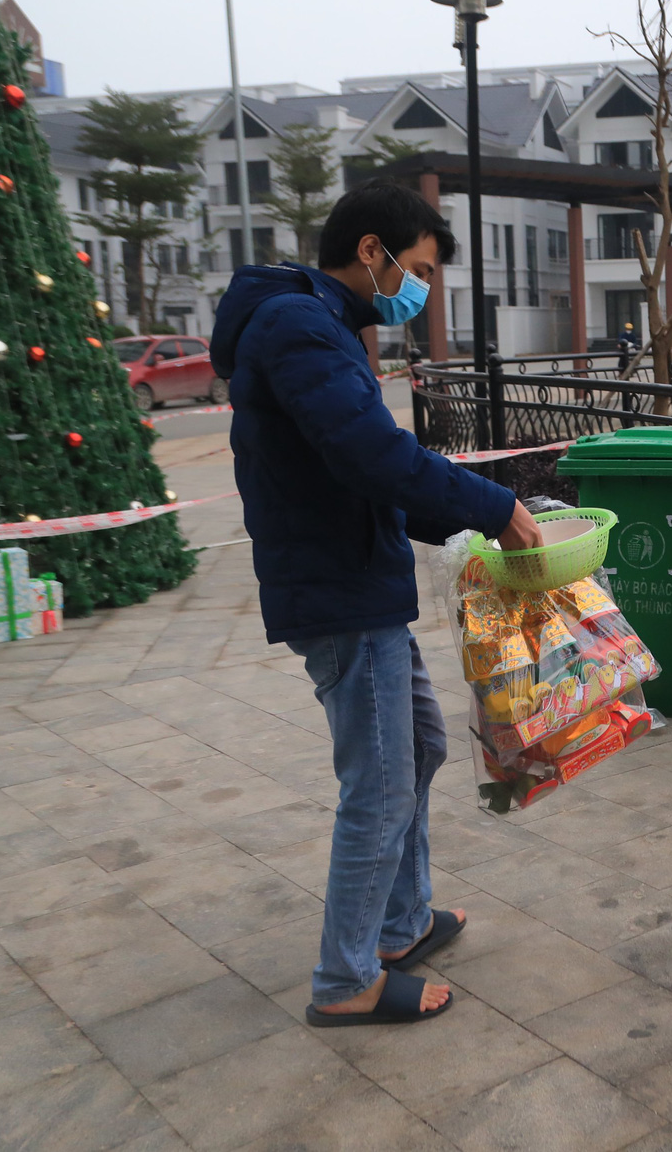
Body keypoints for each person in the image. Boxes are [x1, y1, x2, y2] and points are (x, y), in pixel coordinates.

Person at [209, 183, 539, 1028]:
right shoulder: (298, 328)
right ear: (370, 251)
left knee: (420, 749)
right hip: (339, 593)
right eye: (417, 269)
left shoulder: (320, 323)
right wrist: (494, 508)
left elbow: (369, 475)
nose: (418, 289)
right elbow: (374, 454)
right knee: (381, 786)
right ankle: (344, 977)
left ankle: (401, 924)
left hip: (356, 576)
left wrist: (471, 522)